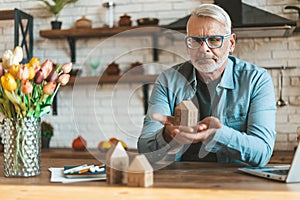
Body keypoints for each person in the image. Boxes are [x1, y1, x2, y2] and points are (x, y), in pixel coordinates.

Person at [137, 3, 276, 167]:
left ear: (231, 43)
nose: (204, 49)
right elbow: (144, 150)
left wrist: (218, 135)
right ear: (187, 45)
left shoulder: (256, 80)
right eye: (195, 41)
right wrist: (167, 136)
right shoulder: (168, 80)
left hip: (237, 182)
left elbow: (262, 152)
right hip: (179, 180)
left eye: (214, 40)